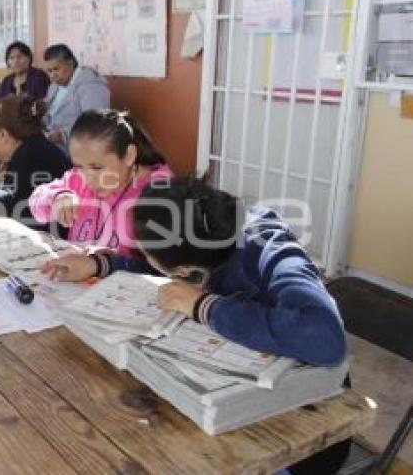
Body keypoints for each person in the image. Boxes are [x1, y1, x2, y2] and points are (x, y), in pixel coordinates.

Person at [41, 176, 351, 474]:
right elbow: (166, 268)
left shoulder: (270, 248)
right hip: (227, 407)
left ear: (186, 267)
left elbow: (325, 338)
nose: (141, 258)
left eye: (146, 254)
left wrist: (203, 306)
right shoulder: (199, 236)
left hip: (298, 439)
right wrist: (100, 263)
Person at [29, 109, 171, 259]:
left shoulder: (159, 192)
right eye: (79, 166)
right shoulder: (77, 179)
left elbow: (160, 267)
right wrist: (57, 197)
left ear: (129, 155)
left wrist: (100, 264)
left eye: (97, 168)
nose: (88, 179)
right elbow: (35, 204)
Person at [42, 44, 110, 147]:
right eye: (49, 71)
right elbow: (50, 114)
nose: (52, 75)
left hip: (75, 146)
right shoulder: (54, 86)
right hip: (50, 139)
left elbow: (95, 124)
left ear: (70, 64)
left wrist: (62, 135)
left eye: (56, 69)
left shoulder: (91, 86)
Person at [0, 41, 50, 110]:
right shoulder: (7, 80)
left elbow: (44, 104)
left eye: (19, 57)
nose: (15, 61)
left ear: (28, 58)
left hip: (33, 119)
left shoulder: (39, 76)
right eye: (11, 58)